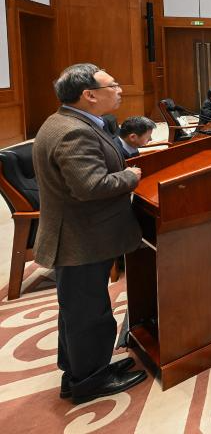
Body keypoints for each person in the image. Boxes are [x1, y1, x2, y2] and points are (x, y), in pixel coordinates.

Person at [32, 64, 147, 403]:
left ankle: (79, 374)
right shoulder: (74, 132)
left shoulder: (68, 121)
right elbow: (90, 185)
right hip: (80, 237)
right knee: (88, 313)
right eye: (113, 85)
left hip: (80, 231)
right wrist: (130, 177)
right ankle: (90, 380)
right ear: (89, 95)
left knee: (79, 309)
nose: (120, 90)